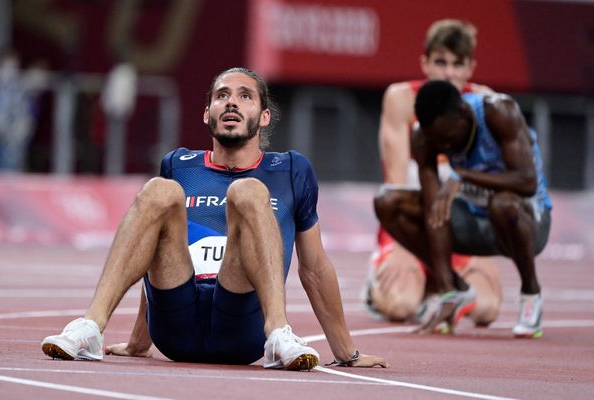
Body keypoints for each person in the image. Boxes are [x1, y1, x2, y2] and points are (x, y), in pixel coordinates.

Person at [41, 67, 388, 370]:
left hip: (242, 326)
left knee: (248, 191)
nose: (232, 102)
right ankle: (90, 327)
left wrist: (347, 353)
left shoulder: (292, 170)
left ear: (264, 116)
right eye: (222, 96)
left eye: (245, 96)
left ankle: (279, 335)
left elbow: (314, 267)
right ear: (208, 114)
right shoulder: (179, 164)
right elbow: (155, 253)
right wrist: (138, 342)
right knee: (158, 191)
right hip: (176, 324)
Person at [374, 80, 552, 338]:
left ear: (463, 114)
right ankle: (456, 290)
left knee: (503, 204)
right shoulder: (424, 137)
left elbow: (526, 181)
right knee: (388, 202)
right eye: (437, 140)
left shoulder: (499, 112)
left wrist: (464, 176)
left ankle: (531, 294)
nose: (444, 147)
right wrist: (445, 286)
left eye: (447, 138)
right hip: (470, 220)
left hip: (524, 221)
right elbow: (436, 213)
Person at [365, 19, 502, 329]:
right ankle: (390, 284)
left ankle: (437, 289)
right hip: (411, 226)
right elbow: (396, 180)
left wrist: (484, 253)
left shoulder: (484, 103)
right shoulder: (401, 99)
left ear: (470, 68)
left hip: (459, 232)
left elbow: (487, 184)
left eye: (457, 64)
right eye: (440, 62)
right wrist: (400, 246)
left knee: (487, 309)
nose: (448, 73)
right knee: (400, 305)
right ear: (425, 64)